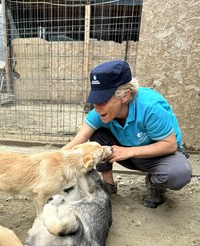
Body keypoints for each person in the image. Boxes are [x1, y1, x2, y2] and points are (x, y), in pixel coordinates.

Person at [63, 60, 192, 208]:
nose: (97, 108)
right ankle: (108, 184)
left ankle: (155, 184)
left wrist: (129, 152)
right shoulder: (100, 113)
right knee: (97, 136)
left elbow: (169, 145)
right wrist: (51, 162)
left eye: (103, 101)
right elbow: (79, 139)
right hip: (123, 152)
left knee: (179, 174)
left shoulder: (150, 107)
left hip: (158, 155)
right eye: (94, 101)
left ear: (125, 96)